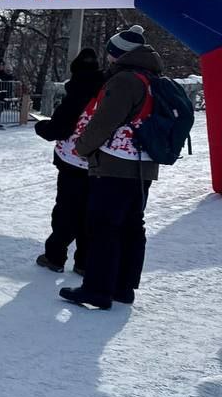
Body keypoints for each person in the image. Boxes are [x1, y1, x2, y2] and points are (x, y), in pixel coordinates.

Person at [60, 26, 162, 310]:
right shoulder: (153, 78)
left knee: (104, 225)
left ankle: (97, 290)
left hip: (116, 165)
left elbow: (103, 122)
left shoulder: (125, 80)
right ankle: (123, 287)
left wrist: (81, 147)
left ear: (117, 54)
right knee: (132, 225)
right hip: (144, 165)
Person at [33, 48, 104, 274]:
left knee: (66, 211)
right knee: (90, 212)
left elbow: (58, 129)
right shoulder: (109, 90)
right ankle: (84, 261)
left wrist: (41, 126)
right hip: (99, 161)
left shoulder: (76, 94)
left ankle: (55, 256)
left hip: (72, 161)